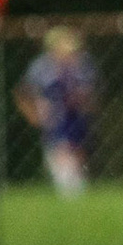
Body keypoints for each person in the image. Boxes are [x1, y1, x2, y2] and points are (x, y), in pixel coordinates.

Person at [15, 27, 97, 198]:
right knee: (59, 148)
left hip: (75, 114)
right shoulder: (41, 67)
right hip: (54, 114)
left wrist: (83, 101)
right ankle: (68, 190)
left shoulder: (81, 64)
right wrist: (34, 115)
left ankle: (76, 188)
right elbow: (23, 92)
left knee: (77, 149)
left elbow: (89, 91)